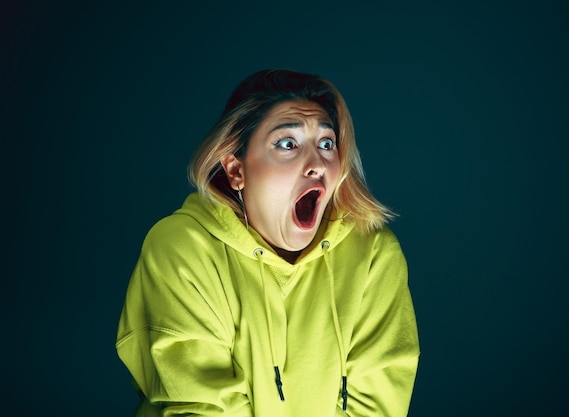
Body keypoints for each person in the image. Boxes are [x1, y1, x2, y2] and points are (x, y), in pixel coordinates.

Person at [116, 68, 420, 417]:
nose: (316, 164)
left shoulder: (373, 254)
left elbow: (378, 405)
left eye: (326, 144)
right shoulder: (181, 248)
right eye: (287, 144)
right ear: (236, 170)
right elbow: (200, 406)